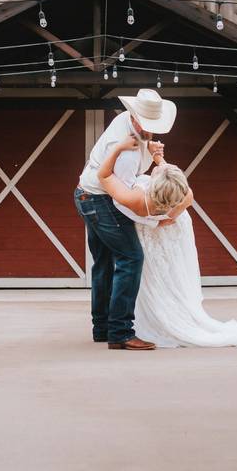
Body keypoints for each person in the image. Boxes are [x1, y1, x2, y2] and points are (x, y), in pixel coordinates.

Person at [96, 135, 237, 350]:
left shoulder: (140, 200)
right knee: (170, 278)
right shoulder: (184, 195)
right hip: (172, 237)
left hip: (155, 236)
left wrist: (118, 148)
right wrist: (157, 158)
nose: (160, 167)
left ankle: (138, 322)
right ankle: (168, 315)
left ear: (155, 185)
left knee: (154, 279)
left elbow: (104, 176)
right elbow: (170, 185)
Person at [74, 89, 176, 350]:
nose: (152, 131)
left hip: (87, 194)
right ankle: (120, 332)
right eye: (148, 126)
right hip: (100, 199)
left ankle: (103, 328)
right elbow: (124, 199)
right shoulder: (126, 154)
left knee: (104, 263)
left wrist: (151, 149)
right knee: (131, 258)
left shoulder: (123, 121)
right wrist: (155, 219)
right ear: (135, 116)